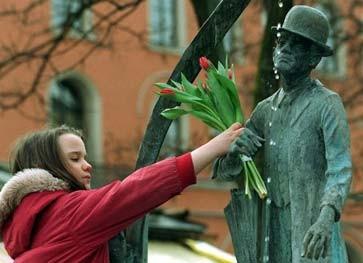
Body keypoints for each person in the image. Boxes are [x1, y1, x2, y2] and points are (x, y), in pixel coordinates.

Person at [213, 5, 351, 263]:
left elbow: (340, 168)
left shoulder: (327, 104)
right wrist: (235, 150)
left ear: (314, 58)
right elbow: (225, 172)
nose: (284, 48)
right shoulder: (265, 110)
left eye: (296, 44)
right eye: (281, 41)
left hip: (313, 236)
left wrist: (325, 218)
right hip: (274, 239)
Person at [0, 123, 242, 262]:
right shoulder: (69, 213)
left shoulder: (30, 221)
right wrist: (212, 149)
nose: (87, 165)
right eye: (75, 159)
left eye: (85, 156)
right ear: (49, 164)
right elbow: (136, 191)